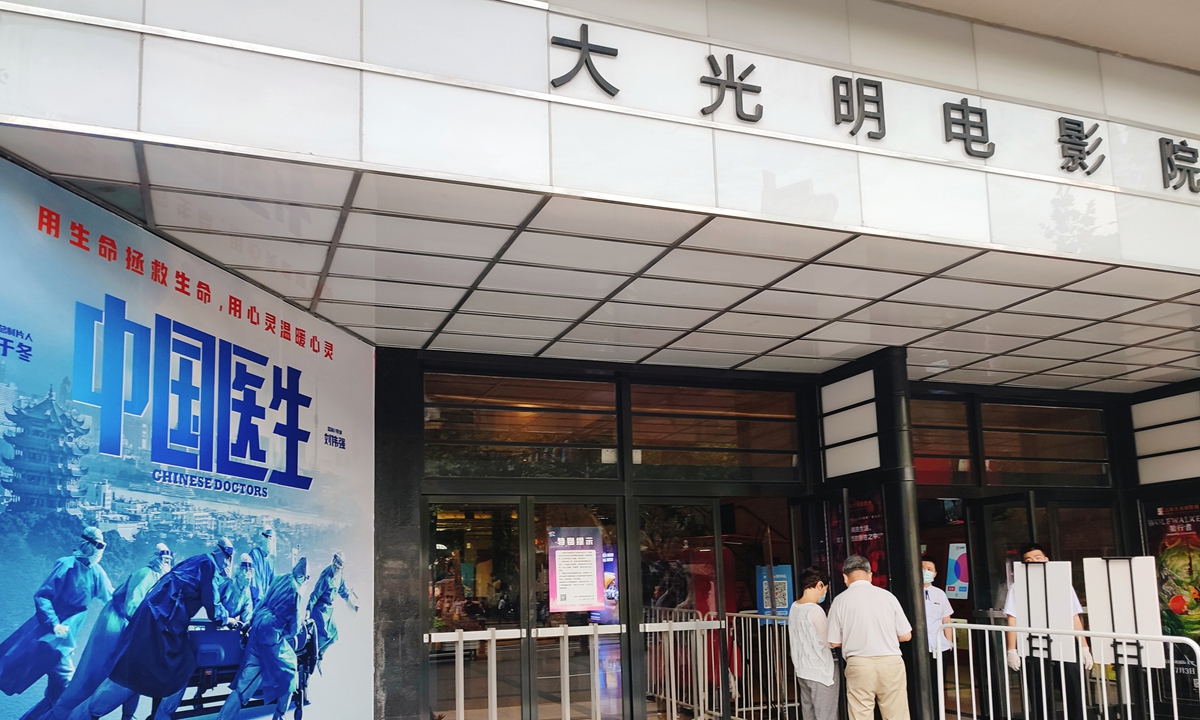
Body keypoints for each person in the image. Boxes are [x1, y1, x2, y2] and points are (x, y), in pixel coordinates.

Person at [67, 538, 237, 720]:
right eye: (228, 557)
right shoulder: (208, 566)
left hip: (157, 622)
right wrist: (228, 619)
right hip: (159, 626)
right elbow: (212, 604)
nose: (229, 562)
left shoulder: (196, 560)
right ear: (222, 553)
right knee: (141, 674)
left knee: (141, 672)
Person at [37, 543, 172, 720]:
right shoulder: (146, 574)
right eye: (164, 559)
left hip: (128, 628)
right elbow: (131, 606)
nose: (166, 563)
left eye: (169, 560)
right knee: (96, 673)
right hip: (115, 625)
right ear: (156, 558)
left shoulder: (159, 579)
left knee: (129, 675)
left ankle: (128, 715)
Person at [0, 527, 114, 720]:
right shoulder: (66, 565)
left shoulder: (96, 572)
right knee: (67, 685)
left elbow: (110, 597)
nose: (100, 550)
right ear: (88, 544)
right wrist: (53, 624)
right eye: (98, 545)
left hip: (69, 637)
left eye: (103, 546)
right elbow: (43, 596)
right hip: (52, 636)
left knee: (55, 693)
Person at [1004, 543, 1093, 720]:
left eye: (1037, 557)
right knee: (1039, 693)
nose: (1033, 562)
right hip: (1034, 645)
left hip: (1065, 644)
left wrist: (1084, 647)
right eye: (1028, 560)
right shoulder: (1018, 587)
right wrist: (1011, 650)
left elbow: (1074, 616)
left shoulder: (1061, 583)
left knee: (1074, 691)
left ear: (1046, 559)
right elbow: (1012, 618)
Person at [216, 557, 309, 720]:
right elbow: (294, 630)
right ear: (304, 578)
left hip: (257, 628)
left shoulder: (280, 578)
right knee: (290, 672)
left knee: (244, 684)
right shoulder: (296, 591)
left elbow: (263, 601)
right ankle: (279, 716)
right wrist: (285, 633)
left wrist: (249, 623)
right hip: (271, 637)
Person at [827, 555, 913, 720]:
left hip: (859, 664)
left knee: (860, 714)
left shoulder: (839, 601)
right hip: (891, 663)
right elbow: (906, 635)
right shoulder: (888, 597)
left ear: (845, 577)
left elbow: (833, 641)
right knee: (897, 714)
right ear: (870, 574)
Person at [788, 567, 838, 720]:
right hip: (821, 672)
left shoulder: (794, 606)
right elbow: (830, 642)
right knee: (826, 715)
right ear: (819, 585)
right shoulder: (815, 610)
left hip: (803, 669)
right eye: (825, 589)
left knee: (809, 714)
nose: (824, 593)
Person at [308, 551, 359, 658]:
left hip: (328, 610)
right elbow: (315, 594)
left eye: (339, 563)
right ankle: (313, 654)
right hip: (319, 609)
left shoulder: (339, 576)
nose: (336, 565)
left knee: (334, 635)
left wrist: (352, 604)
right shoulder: (326, 577)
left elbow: (342, 591)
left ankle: (320, 655)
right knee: (323, 635)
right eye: (336, 562)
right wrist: (308, 610)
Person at [921, 555, 954, 712]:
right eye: (922, 569)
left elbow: (946, 619)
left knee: (937, 680)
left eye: (929, 569)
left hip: (939, 646)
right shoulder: (910, 592)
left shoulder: (939, 593)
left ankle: (936, 711)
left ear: (935, 573)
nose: (926, 572)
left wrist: (950, 641)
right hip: (920, 647)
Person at [249, 528, 277, 605]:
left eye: (272, 539)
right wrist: (260, 602)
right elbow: (255, 582)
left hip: (262, 602)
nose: (270, 541)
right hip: (252, 601)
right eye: (268, 538)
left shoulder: (270, 561)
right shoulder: (254, 554)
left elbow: (274, 584)